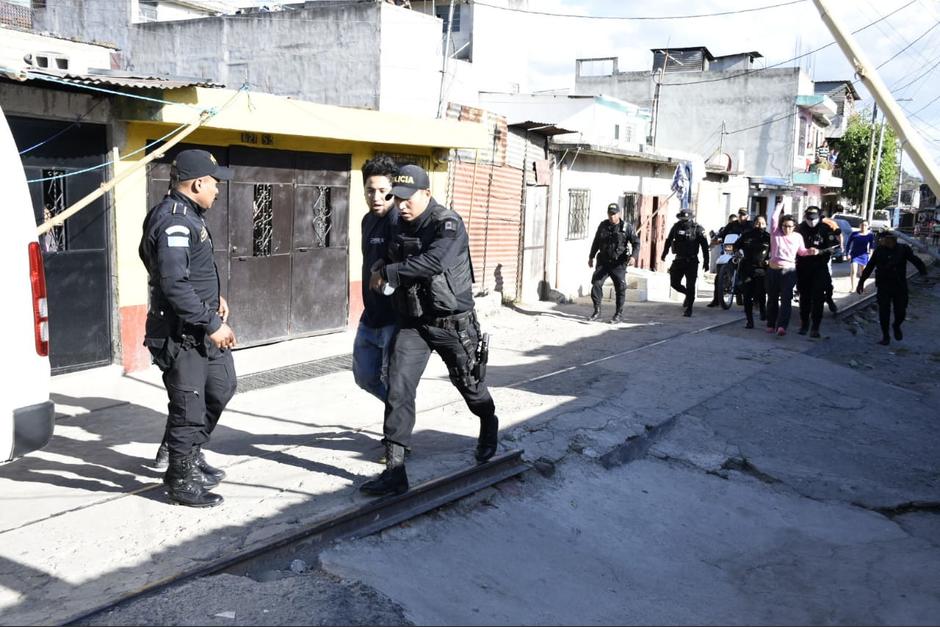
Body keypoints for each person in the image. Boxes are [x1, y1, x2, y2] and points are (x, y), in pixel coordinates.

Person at [363, 165, 498, 496]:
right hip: (414, 323)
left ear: (426, 193)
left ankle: (488, 423)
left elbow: (434, 262)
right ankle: (395, 470)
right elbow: (383, 257)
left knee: (470, 387)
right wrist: (380, 268)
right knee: (398, 387)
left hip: (453, 324)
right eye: (399, 198)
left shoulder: (447, 223)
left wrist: (391, 273)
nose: (402, 205)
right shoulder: (397, 222)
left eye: (409, 199)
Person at [139, 149, 237, 508]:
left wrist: (216, 298)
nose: (217, 190)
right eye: (214, 183)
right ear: (197, 183)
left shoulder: (189, 215)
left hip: (201, 325)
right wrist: (211, 322)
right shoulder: (175, 222)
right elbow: (173, 283)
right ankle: (181, 480)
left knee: (222, 387)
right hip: (183, 333)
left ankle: (191, 454)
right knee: (188, 409)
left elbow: (191, 271)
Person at [353, 156, 399, 401]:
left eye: (383, 191)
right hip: (370, 315)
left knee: (394, 381)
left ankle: (396, 429)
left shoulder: (398, 221)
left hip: (394, 318)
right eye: (370, 191)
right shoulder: (367, 220)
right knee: (364, 377)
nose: (376, 197)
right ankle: (397, 410)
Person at [857, 229, 928, 345]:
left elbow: (916, 261)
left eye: (885, 239)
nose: (882, 241)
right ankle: (886, 336)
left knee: (901, 312)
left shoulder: (903, 249)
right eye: (882, 239)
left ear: (892, 239)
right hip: (883, 285)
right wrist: (861, 282)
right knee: (884, 312)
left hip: (899, 285)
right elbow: (869, 266)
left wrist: (923, 273)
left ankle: (896, 325)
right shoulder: (879, 250)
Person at [766, 202, 819, 336]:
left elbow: (801, 252)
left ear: (794, 227)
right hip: (773, 270)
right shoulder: (775, 233)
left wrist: (810, 251)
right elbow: (773, 218)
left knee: (785, 299)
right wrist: (780, 204)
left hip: (788, 272)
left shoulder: (797, 237)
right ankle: (771, 324)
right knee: (772, 299)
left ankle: (782, 326)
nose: (787, 229)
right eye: (784, 226)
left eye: (790, 226)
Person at [587, 202, 641, 323]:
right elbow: (596, 242)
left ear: (619, 214)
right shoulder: (603, 226)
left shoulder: (626, 227)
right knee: (596, 284)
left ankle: (618, 314)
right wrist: (591, 257)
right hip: (604, 261)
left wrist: (633, 256)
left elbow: (636, 243)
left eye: (614, 214)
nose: (612, 216)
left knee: (620, 288)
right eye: (610, 214)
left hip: (618, 263)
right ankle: (597, 311)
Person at [795, 206, 840, 338]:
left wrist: (820, 251)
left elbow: (833, 248)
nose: (811, 221)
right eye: (809, 217)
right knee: (804, 298)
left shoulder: (825, 229)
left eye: (814, 218)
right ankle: (804, 324)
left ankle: (815, 327)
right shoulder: (799, 229)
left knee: (818, 298)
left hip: (820, 267)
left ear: (819, 216)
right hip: (803, 268)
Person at [661, 209, 709, 317]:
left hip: (692, 261)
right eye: (682, 219)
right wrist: (664, 253)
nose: (684, 221)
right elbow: (669, 240)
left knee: (691, 285)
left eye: (686, 219)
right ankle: (688, 294)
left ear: (691, 218)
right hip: (679, 259)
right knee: (674, 283)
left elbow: (705, 246)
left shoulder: (698, 229)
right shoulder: (676, 227)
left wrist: (706, 262)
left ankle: (689, 308)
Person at [734, 214, 770, 328]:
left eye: (762, 223)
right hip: (747, 267)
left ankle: (763, 311)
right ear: (754, 223)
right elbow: (736, 246)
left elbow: (774, 252)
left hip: (762, 269)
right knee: (747, 294)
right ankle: (749, 320)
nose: (760, 225)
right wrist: (737, 252)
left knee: (761, 292)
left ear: (766, 224)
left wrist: (769, 261)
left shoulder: (768, 237)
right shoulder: (746, 235)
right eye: (758, 223)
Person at [708, 210, 747, 307]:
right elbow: (722, 233)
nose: (742, 217)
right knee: (719, 276)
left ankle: (747, 299)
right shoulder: (732, 225)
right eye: (740, 214)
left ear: (747, 215)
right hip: (730, 251)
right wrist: (717, 238)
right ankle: (716, 300)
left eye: (744, 215)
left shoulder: (750, 225)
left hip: (744, 251)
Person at [845, 220, 875, 292]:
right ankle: (853, 287)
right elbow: (848, 244)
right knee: (854, 271)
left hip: (864, 255)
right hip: (854, 255)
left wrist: (870, 255)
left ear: (868, 226)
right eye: (862, 225)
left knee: (863, 273)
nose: (863, 226)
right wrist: (847, 254)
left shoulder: (870, 235)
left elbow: (872, 246)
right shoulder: (854, 234)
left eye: (865, 225)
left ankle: (862, 286)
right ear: (859, 226)